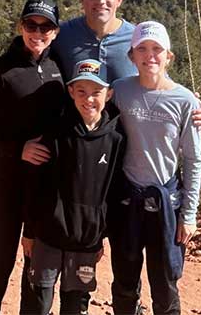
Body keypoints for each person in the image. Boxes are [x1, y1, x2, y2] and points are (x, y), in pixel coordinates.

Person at [0, 0, 201, 144]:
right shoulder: (63, 34)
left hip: (124, 145)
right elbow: (30, 48)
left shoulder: (137, 40)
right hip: (69, 142)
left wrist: (188, 103)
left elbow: (158, 78)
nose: (100, 1)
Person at [0, 0, 67, 315]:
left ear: (56, 31)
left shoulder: (59, 68)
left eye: (46, 26)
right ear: (20, 26)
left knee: (34, 259)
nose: (37, 32)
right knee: (2, 259)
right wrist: (18, 149)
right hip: (5, 180)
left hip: (45, 184)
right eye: (30, 24)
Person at [108, 21, 201, 315]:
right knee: (124, 282)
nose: (150, 55)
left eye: (157, 49)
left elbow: (193, 160)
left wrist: (188, 216)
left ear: (168, 56)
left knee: (164, 286)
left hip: (166, 206)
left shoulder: (185, 101)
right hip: (126, 202)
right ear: (132, 55)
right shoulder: (119, 90)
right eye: (143, 49)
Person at [21, 59, 125, 315]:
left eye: (96, 93)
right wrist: (30, 231)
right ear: (70, 92)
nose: (88, 99)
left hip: (86, 240)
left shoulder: (116, 140)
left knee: (76, 306)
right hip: (48, 235)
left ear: (109, 94)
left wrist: (101, 236)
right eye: (81, 91)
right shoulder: (55, 132)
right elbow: (36, 184)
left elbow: (113, 193)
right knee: (38, 302)